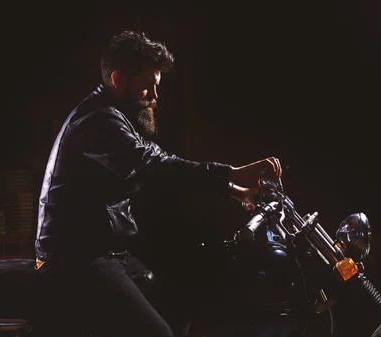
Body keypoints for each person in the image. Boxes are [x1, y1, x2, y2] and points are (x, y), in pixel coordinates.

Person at [33, 30, 283, 337]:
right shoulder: (96, 122)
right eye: (148, 86)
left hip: (110, 252)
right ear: (119, 80)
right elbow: (152, 166)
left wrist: (231, 190)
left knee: (183, 299)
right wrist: (231, 172)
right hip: (76, 260)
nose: (155, 96)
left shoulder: (116, 117)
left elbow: (154, 158)